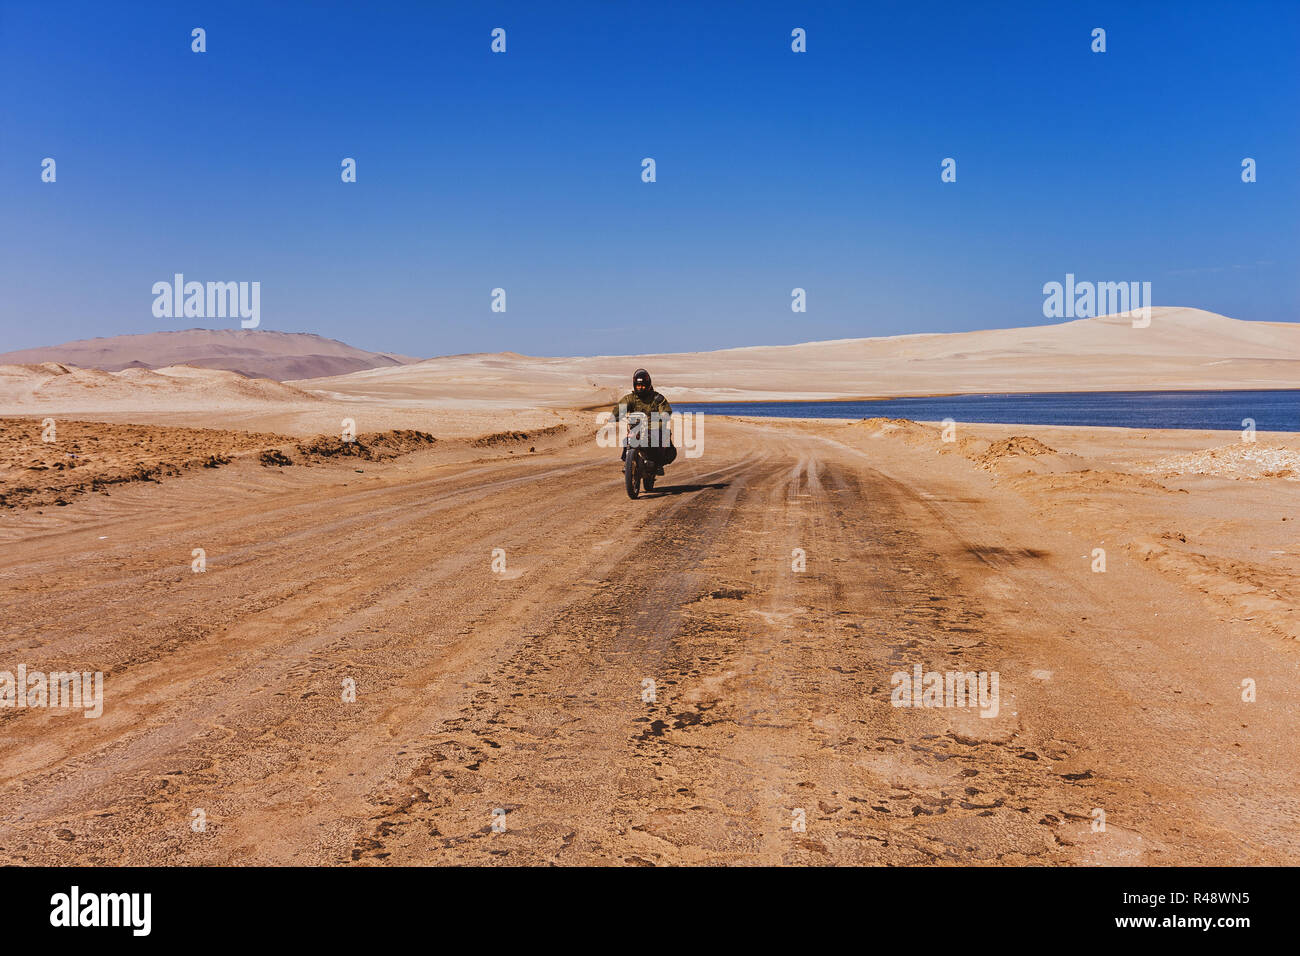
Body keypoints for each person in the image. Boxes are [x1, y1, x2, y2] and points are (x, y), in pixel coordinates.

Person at [610, 368, 676, 475]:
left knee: (655, 441)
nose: (640, 388)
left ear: (648, 385)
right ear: (635, 385)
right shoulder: (630, 398)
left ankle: (658, 465)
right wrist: (614, 416)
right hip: (636, 427)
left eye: (643, 386)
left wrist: (664, 415)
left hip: (653, 427)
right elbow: (620, 408)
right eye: (638, 386)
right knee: (627, 440)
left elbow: (665, 409)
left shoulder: (657, 398)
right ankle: (627, 462)